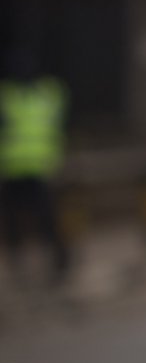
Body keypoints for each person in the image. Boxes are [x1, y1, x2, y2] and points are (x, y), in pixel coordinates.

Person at [1, 46, 71, 291]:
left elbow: (62, 127)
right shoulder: (7, 96)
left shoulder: (50, 94)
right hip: (11, 170)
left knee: (48, 221)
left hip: (41, 169)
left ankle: (59, 266)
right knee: (12, 224)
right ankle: (18, 269)